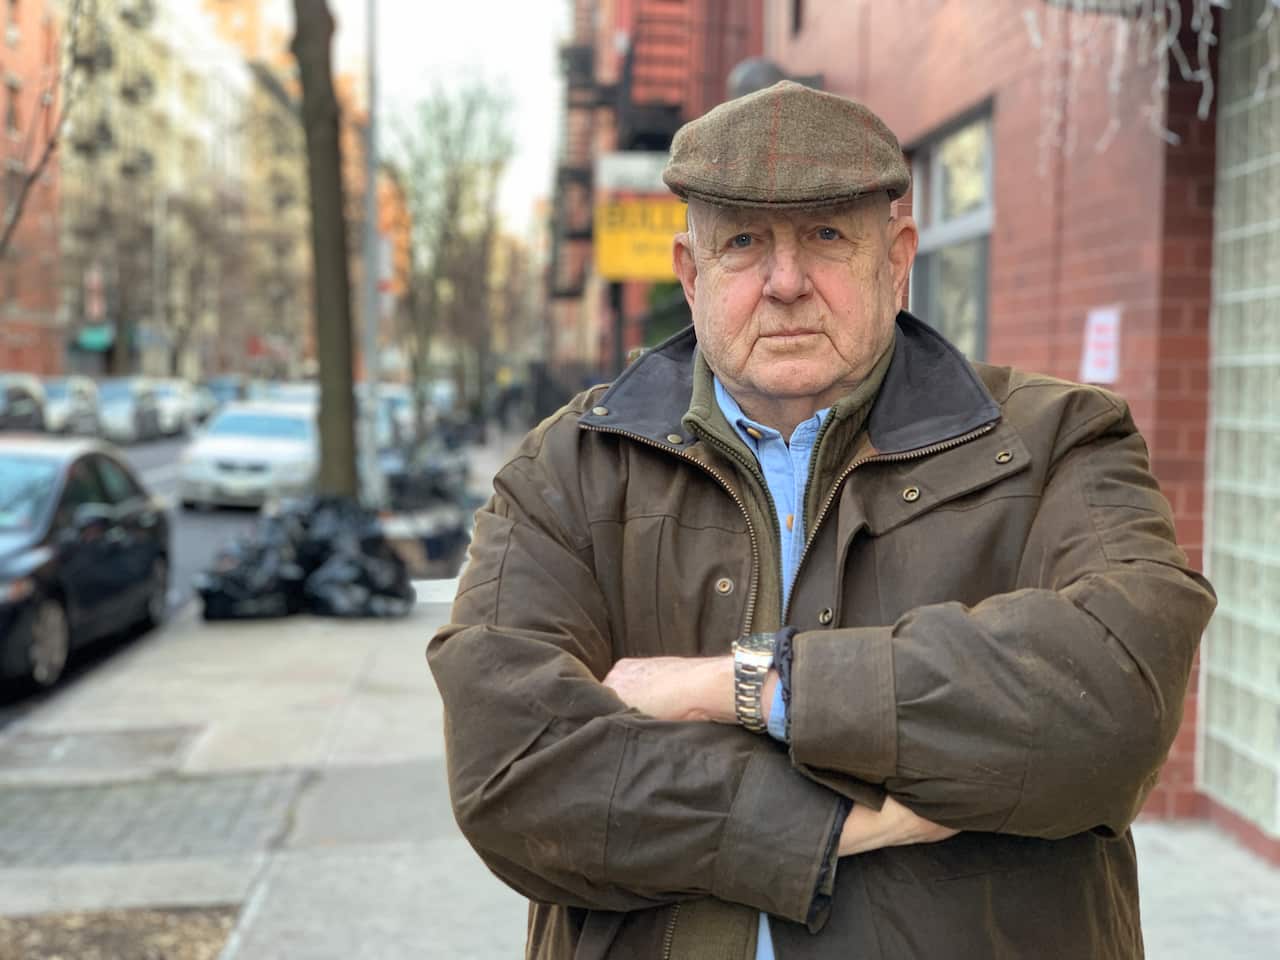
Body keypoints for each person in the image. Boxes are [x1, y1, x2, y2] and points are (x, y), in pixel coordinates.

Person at [427, 80, 1216, 960]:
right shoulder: (568, 469)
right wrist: (852, 820)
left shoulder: (1058, 439)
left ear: (899, 257)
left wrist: (740, 686)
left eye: (828, 237)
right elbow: (515, 775)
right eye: (744, 244)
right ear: (691, 274)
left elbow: (1115, 701)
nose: (787, 282)